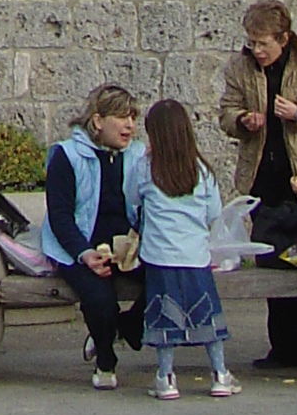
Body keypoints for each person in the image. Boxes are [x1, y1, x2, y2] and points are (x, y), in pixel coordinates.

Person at [217, 0, 297, 370]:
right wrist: (242, 121)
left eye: (264, 43)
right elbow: (225, 112)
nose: (258, 50)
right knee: (271, 264)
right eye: (253, 42)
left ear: (284, 38)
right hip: (263, 180)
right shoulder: (241, 68)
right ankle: (283, 348)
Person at [39, 84, 149, 389]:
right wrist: (86, 254)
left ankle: (125, 327)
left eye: (133, 118)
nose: (130, 125)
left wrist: (138, 242)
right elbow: (60, 217)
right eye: (122, 117)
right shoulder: (67, 155)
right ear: (98, 121)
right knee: (99, 297)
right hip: (80, 245)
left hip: (127, 245)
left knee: (167, 278)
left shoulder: (138, 155)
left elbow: (147, 205)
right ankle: (105, 358)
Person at [132, 98, 238, 398]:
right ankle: (219, 373)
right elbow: (213, 212)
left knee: (164, 315)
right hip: (195, 256)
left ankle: (166, 377)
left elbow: (132, 200)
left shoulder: (145, 168)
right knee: (206, 312)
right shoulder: (201, 171)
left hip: (159, 256)